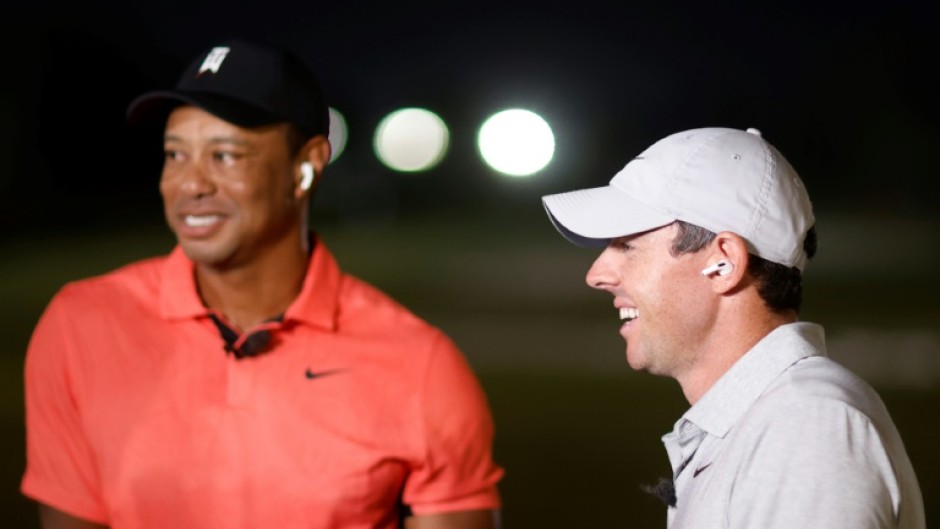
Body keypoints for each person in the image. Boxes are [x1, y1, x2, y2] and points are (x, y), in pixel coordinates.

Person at [21, 38, 503, 529]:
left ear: (307, 165)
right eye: (174, 154)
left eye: (225, 156)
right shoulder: (81, 325)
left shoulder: (420, 365)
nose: (190, 184)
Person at [540, 126, 925, 528]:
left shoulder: (805, 427)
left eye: (627, 247)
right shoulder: (775, 419)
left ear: (723, 263)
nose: (597, 274)